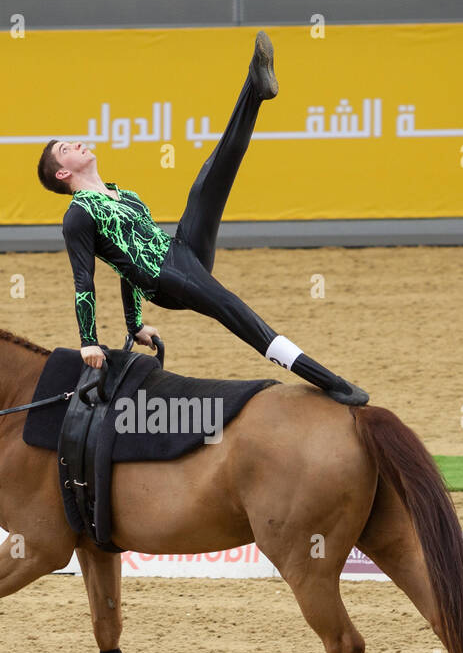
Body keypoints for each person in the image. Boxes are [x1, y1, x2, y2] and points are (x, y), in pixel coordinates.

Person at [37, 32, 368, 407]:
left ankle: (255, 87)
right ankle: (331, 382)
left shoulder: (123, 194)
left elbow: (123, 272)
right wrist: (88, 341)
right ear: (62, 174)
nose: (77, 143)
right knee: (235, 311)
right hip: (168, 279)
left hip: (182, 250)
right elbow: (85, 281)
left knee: (208, 181)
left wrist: (135, 325)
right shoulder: (78, 215)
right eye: (66, 149)